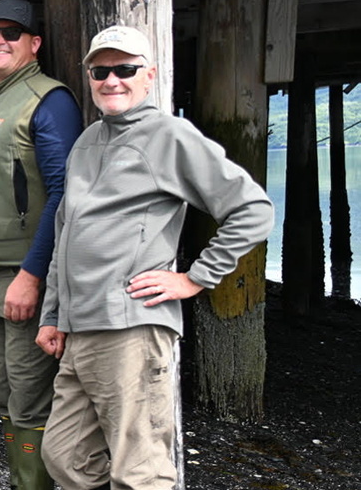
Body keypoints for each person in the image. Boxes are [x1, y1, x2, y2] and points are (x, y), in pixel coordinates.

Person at [36, 26, 274, 490]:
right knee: (64, 456)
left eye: (125, 69)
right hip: (80, 328)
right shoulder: (86, 142)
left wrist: (195, 279)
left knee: (139, 470)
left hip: (131, 328)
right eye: (100, 70)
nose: (112, 80)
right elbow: (66, 234)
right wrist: (53, 315)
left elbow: (253, 209)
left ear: (149, 75)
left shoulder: (169, 134)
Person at [0, 0, 82, 490]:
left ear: (34, 43)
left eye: (12, 32)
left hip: (25, 276)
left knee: (30, 396)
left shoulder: (47, 100)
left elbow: (64, 196)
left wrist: (32, 276)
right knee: (5, 392)